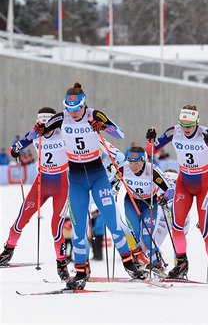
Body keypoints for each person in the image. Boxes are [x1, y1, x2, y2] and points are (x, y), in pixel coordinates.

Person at [33, 83, 145, 290]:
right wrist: (37, 130)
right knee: (78, 230)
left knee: (113, 223)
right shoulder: (60, 117)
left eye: (77, 109)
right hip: (75, 180)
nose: (73, 113)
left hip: (97, 176)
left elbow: (119, 134)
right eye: (69, 108)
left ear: (84, 105)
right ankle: (81, 272)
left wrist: (104, 127)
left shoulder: (95, 114)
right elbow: (36, 134)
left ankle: (130, 264)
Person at [146, 104, 208, 287]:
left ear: (197, 122)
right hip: (183, 183)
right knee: (177, 226)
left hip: (203, 186)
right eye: (183, 125)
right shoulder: (173, 131)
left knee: (206, 230)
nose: (186, 129)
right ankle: (182, 262)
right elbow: (150, 151)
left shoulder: (205, 133)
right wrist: (150, 140)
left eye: (190, 126)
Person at [0, 108, 71, 280]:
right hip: (42, 183)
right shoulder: (34, 134)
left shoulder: (64, 133)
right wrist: (16, 150)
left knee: (56, 226)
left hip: (62, 183)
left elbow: (65, 117)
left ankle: (61, 263)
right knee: (21, 219)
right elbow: (12, 150)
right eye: (40, 121)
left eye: (47, 121)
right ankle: (8, 250)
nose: (43, 125)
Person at [113, 146, 174, 273]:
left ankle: (158, 265)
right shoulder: (123, 169)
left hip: (150, 203)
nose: (133, 166)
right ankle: (138, 262)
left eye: (137, 163)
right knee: (133, 235)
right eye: (131, 162)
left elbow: (170, 189)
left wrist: (165, 198)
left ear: (144, 161)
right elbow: (110, 183)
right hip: (131, 201)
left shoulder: (152, 171)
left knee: (147, 237)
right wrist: (113, 190)